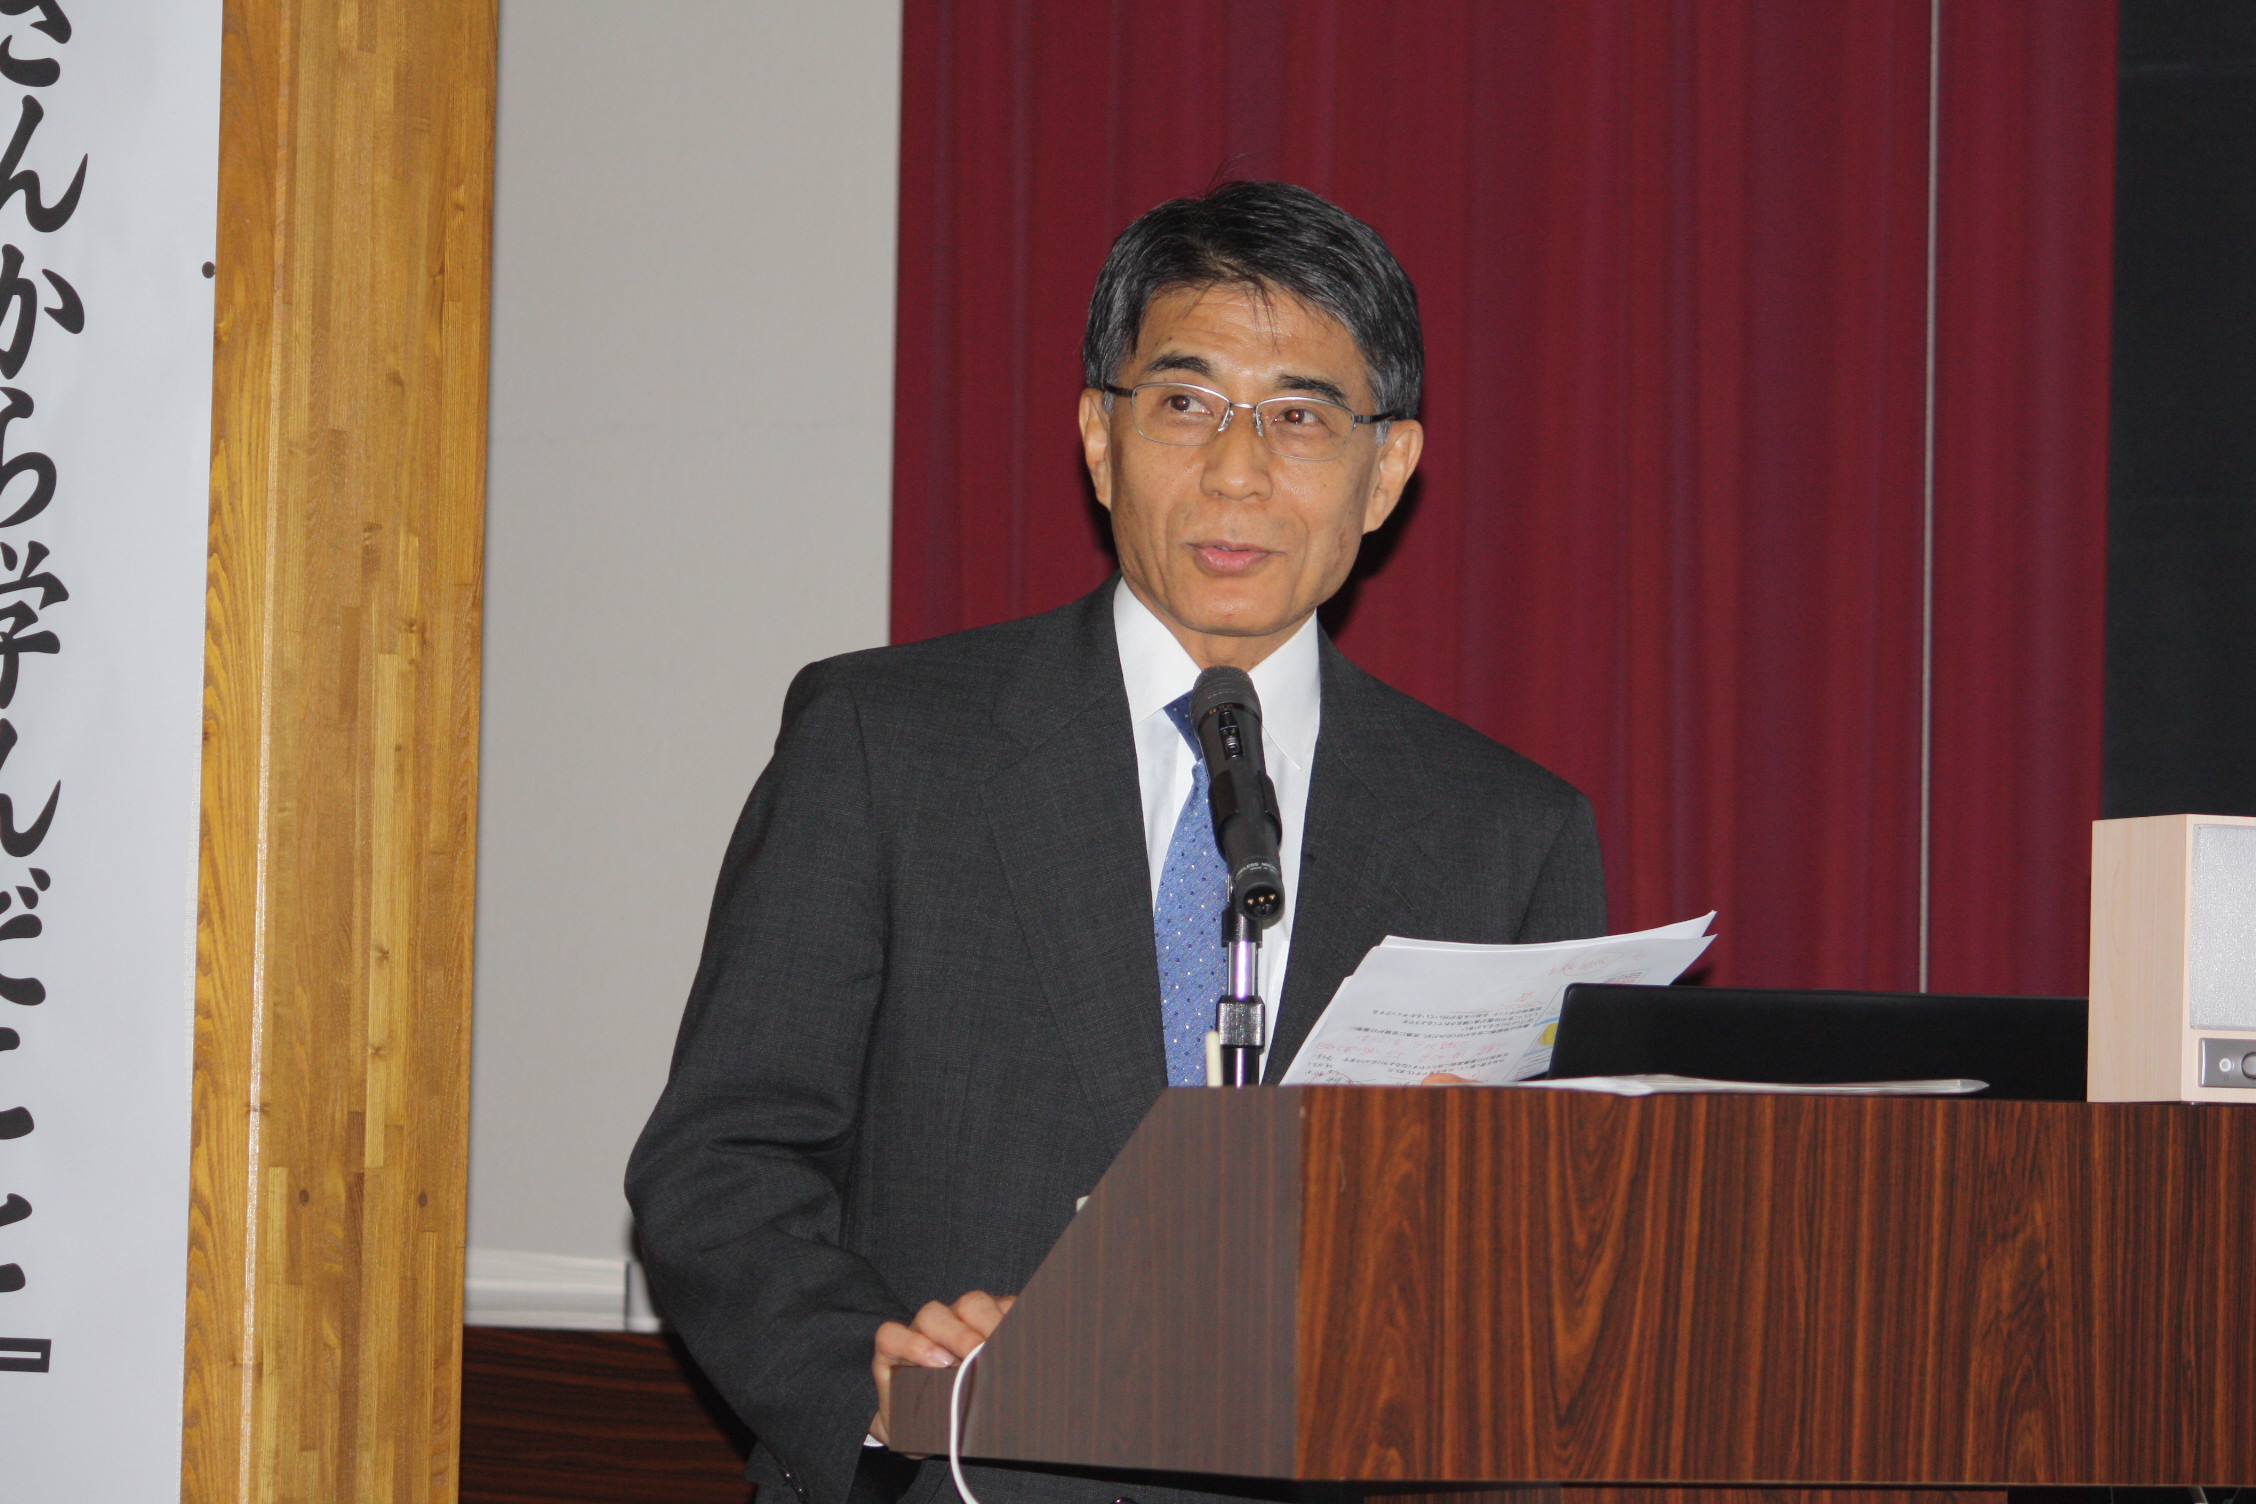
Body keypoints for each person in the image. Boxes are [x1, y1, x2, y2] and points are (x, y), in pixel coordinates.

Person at [627, 181, 1607, 1504]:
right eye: (1187, 404)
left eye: (1300, 418)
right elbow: (722, 1159)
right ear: (1101, 439)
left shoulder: (1506, 834)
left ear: (1386, 471)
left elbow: (1550, 1267)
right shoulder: (887, 743)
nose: (1237, 472)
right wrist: (884, 1386)